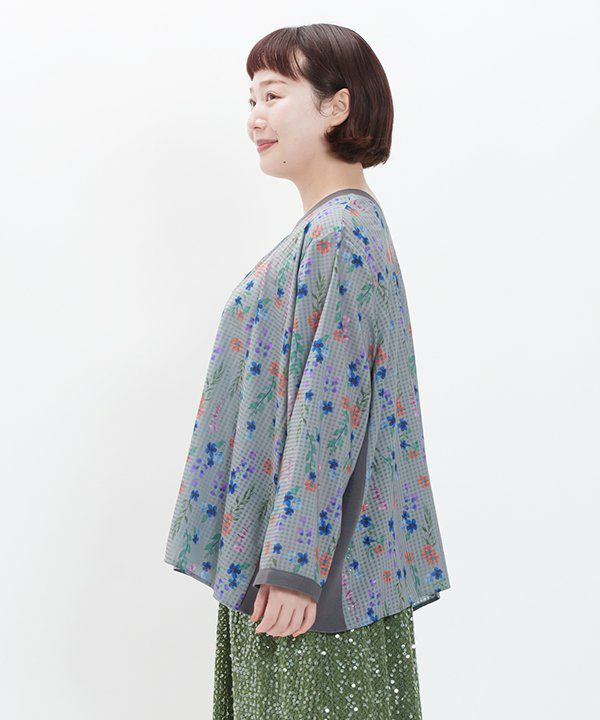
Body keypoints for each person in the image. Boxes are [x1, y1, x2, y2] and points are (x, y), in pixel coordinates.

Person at [164, 23, 451, 719]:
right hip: (289, 569)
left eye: (273, 94)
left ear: (336, 106)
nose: (254, 117)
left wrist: (294, 567)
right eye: (251, 99)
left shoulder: (340, 234)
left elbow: (333, 408)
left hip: (307, 586)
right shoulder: (327, 231)